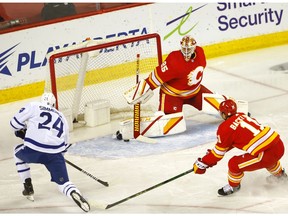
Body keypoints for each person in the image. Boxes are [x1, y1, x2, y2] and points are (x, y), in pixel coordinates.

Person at [118, 35, 248, 140]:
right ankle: (130, 129)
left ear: (194, 48)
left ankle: (239, 110)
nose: (186, 52)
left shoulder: (201, 53)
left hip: (195, 92)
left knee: (221, 108)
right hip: (172, 96)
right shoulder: (173, 60)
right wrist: (140, 91)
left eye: (189, 49)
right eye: (184, 49)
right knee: (171, 123)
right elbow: (154, 79)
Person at [10, 92, 90, 212]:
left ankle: (28, 187)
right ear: (54, 104)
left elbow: (13, 124)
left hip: (33, 151)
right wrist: (59, 157)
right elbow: (65, 144)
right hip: (55, 154)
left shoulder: (34, 106)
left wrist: (23, 131)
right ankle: (74, 192)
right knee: (64, 184)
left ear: (42, 100)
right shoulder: (61, 117)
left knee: (17, 152)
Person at [193, 99, 287, 196]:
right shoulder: (243, 115)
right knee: (266, 158)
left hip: (266, 155)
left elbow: (218, 154)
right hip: (278, 145)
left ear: (223, 114)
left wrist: (203, 163)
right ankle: (280, 176)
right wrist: (211, 157)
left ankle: (233, 186)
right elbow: (234, 141)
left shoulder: (224, 128)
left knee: (234, 164)